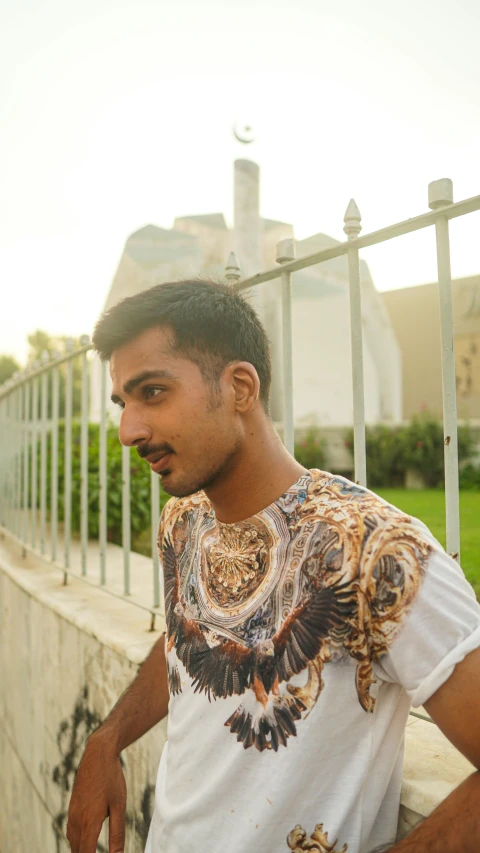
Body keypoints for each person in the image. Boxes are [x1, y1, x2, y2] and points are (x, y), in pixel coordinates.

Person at [66, 279, 480, 853]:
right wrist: (106, 740)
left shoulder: (375, 550)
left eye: (153, 393)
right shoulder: (182, 522)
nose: (128, 430)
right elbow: (187, 644)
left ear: (239, 387)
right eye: (123, 403)